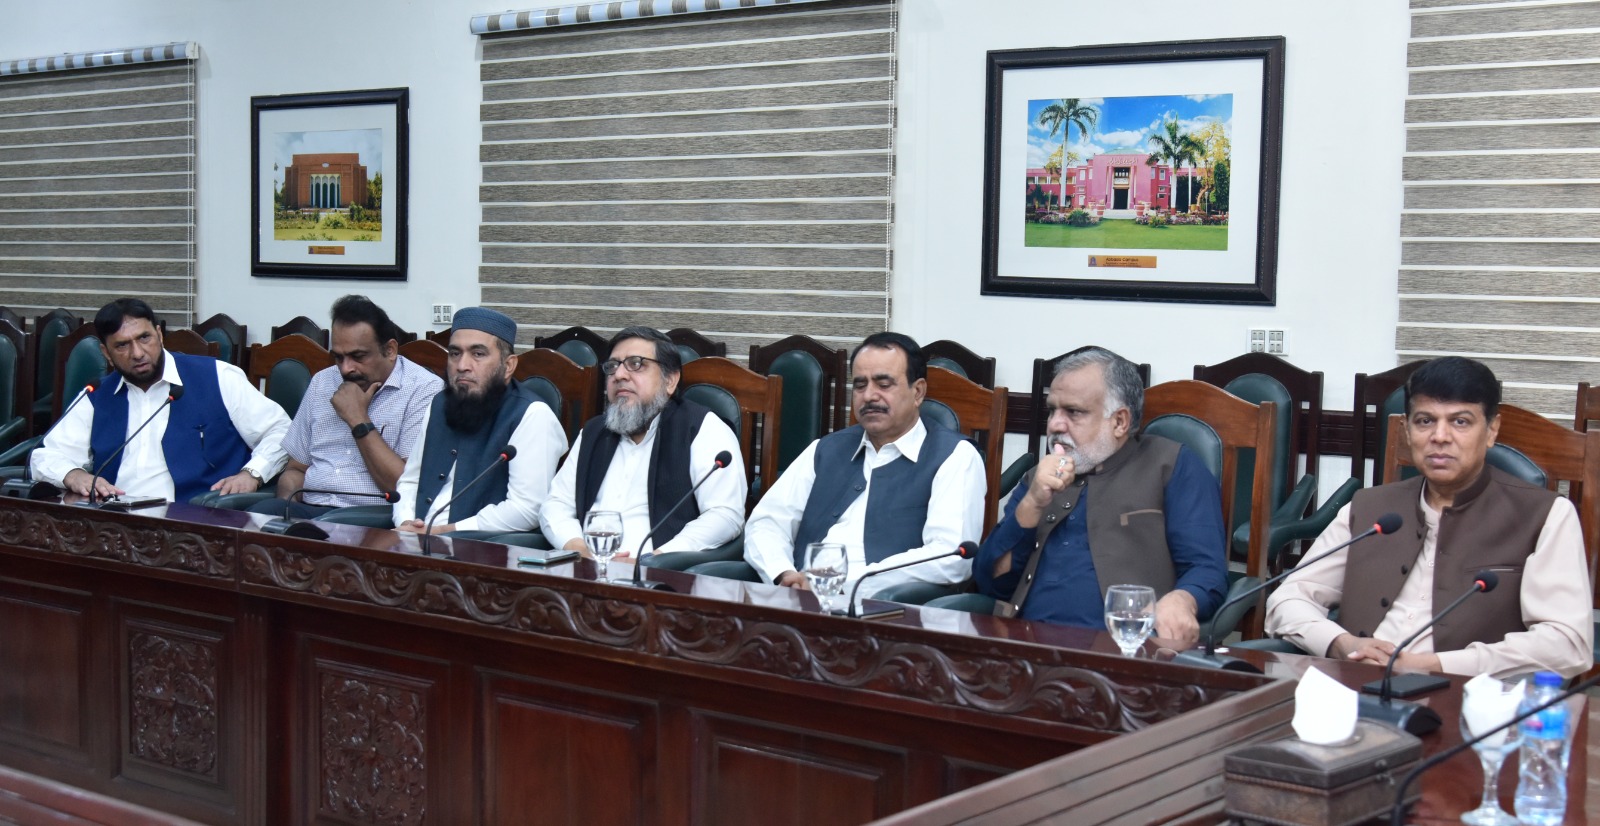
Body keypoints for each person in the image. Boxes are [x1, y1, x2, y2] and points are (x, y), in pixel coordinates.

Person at [1265, 356, 1593, 679]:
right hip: (1354, 688)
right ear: (1407, 431)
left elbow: (1568, 644)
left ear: (1492, 430)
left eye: (1460, 422)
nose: (1440, 436)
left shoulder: (1545, 515)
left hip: (1467, 698)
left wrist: (1438, 665)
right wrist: (1340, 643)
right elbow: (1287, 599)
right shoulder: (1369, 508)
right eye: (1425, 421)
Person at [972, 347, 1226, 647]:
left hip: (1124, 652)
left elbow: (1207, 569)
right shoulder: (1039, 478)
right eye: (1052, 410)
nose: (1054, 425)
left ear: (1119, 422)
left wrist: (1184, 600)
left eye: (1073, 412)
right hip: (1027, 647)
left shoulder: (1171, 466)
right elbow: (991, 584)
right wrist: (1032, 503)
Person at [743, 332, 986, 599]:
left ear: (917, 392)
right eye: (860, 385)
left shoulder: (955, 457)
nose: (869, 396)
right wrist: (783, 574)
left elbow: (951, 557)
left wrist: (836, 582)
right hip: (796, 598)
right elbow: (766, 522)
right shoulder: (825, 449)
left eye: (884, 384)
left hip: (883, 612)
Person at [30, 298, 290, 503]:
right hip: (115, 521)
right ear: (106, 353)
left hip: (199, 520)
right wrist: (73, 475)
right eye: (122, 345)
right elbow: (47, 456)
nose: (137, 353)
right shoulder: (97, 395)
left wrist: (252, 473)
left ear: (159, 334)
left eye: (144, 338)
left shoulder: (218, 376)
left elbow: (282, 432)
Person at [539, 326, 745, 559]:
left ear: (670, 380)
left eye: (636, 364)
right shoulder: (593, 432)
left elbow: (724, 515)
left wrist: (656, 560)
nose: (619, 375)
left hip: (660, 574)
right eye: (612, 366)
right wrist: (578, 548)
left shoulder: (702, 428)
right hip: (583, 567)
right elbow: (555, 504)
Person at [251, 295, 442, 517]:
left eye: (358, 356)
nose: (345, 369)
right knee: (256, 518)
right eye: (338, 357)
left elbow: (405, 487)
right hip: (310, 511)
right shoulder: (323, 382)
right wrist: (285, 506)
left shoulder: (424, 389)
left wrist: (358, 419)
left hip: (370, 517)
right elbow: (296, 469)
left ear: (390, 350)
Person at [391, 308, 565, 535]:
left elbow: (527, 509)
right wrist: (405, 523)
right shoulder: (439, 404)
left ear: (508, 366)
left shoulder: (532, 414)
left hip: (477, 547)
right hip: (415, 537)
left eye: (478, 354)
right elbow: (410, 480)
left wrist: (444, 531)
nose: (462, 365)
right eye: (455, 353)